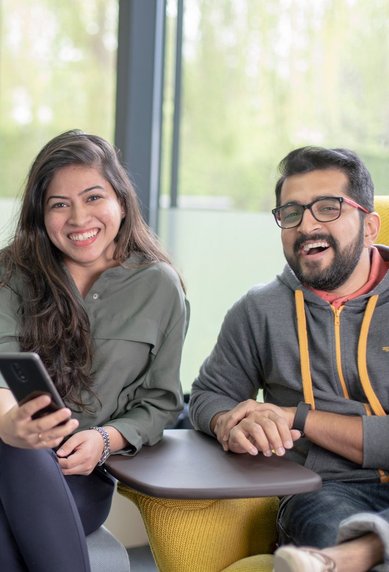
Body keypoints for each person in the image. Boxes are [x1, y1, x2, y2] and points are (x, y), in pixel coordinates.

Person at [189, 146, 389, 571]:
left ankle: (354, 555)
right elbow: (209, 394)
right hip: (327, 490)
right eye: (292, 212)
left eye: (328, 208)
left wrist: (296, 418)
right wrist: (229, 420)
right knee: (326, 523)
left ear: (369, 225)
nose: (307, 224)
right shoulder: (259, 310)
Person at [0, 129, 189, 572]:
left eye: (93, 197)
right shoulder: (10, 273)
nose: (78, 218)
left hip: (81, 474)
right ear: (41, 215)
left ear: (121, 202)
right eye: (59, 204)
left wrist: (105, 439)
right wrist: (11, 425)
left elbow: (160, 401)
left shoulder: (160, 287)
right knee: (22, 444)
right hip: (5, 449)